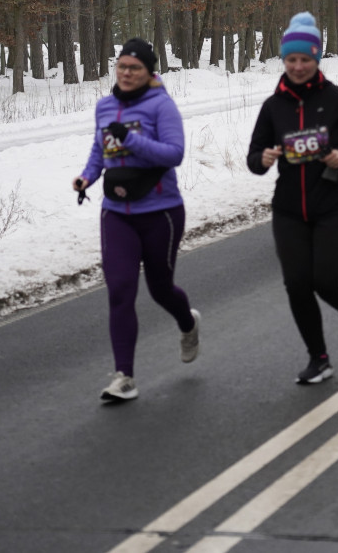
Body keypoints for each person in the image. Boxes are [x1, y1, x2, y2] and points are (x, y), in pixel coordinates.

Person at [247, 11, 338, 385]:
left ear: (316, 58)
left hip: (335, 206)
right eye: (291, 59)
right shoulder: (273, 107)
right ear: (283, 60)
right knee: (297, 284)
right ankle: (318, 358)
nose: (298, 66)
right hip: (289, 210)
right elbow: (254, 158)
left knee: (327, 281)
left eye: (305, 59)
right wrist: (263, 158)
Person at [74, 38, 199, 402]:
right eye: (122, 67)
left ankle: (188, 323)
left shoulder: (161, 106)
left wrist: (130, 140)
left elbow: (174, 153)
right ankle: (124, 376)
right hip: (117, 213)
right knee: (120, 290)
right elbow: (99, 150)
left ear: (148, 72)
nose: (127, 73)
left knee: (161, 289)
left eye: (135, 68)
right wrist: (86, 177)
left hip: (161, 211)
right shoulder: (105, 106)